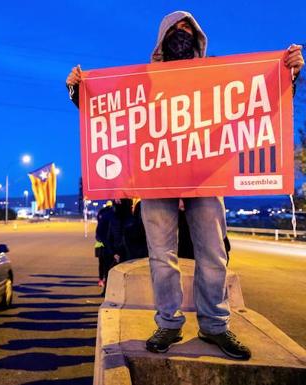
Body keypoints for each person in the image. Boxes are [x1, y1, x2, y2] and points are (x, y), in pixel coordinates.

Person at [65, 11, 303, 360]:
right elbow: (111, 112)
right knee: (162, 257)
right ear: (161, 40)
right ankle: (169, 324)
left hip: (207, 179)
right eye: (175, 30)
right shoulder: (142, 81)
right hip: (155, 181)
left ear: (198, 39)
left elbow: (257, 102)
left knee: (213, 255)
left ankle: (215, 327)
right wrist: (78, 91)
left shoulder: (216, 78)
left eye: (188, 30)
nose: (182, 35)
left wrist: (289, 75)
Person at [95, 201, 115, 292]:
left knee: (102, 264)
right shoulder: (114, 216)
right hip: (110, 246)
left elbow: (98, 233)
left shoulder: (101, 215)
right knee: (110, 266)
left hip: (101, 244)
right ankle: (108, 285)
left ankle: (101, 279)